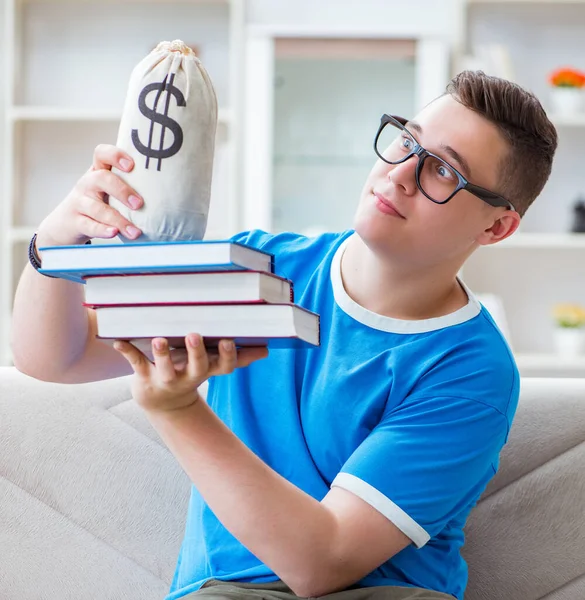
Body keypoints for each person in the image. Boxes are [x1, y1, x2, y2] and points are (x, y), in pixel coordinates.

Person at [11, 70, 558, 600]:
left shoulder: (471, 370)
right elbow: (56, 358)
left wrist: (178, 410)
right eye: (406, 142)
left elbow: (323, 562)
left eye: (441, 170)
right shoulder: (256, 268)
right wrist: (59, 241)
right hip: (226, 592)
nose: (399, 173)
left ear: (496, 227)